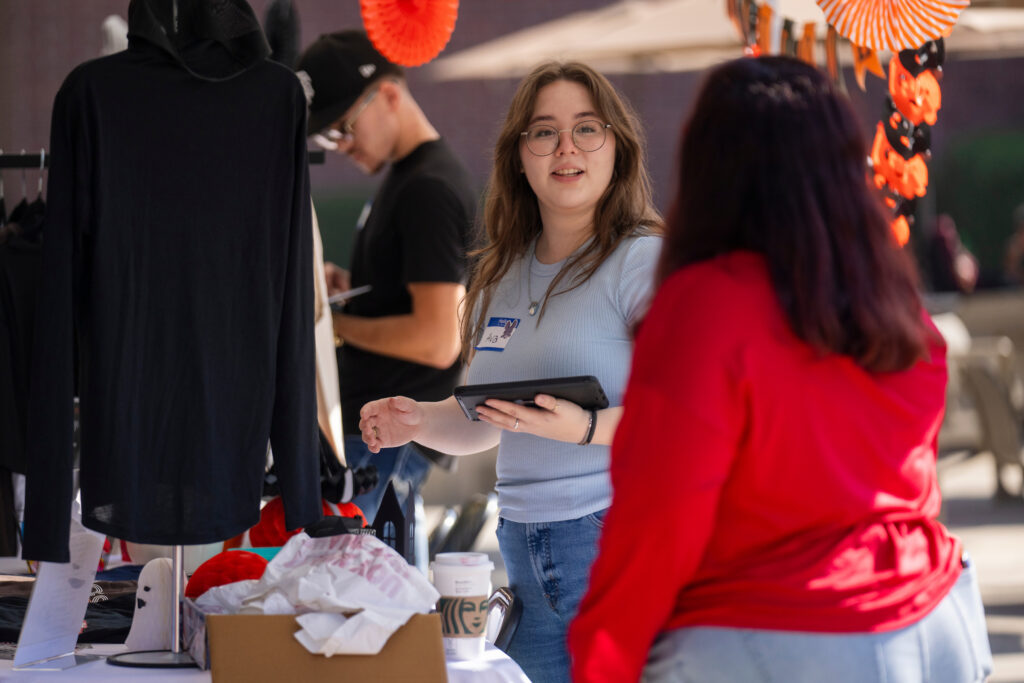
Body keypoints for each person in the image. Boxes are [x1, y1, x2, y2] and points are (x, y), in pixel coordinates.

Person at [569, 56, 993, 683]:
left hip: (782, 633)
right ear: (846, 169)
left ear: (712, 170)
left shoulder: (707, 307)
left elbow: (657, 524)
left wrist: (601, 661)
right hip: (939, 621)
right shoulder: (891, 303)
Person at [358, 62, 662, 682]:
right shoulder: (501, 272)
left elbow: (687, 418)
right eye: (543, 131)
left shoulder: (643, 259)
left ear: (618, 147)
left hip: (614, 551)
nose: (566, 147)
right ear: (519, 155)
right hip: (520, 560)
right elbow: (482, 423)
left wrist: (582, 427)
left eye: (587, 128)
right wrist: (416, 419)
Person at [295, 31, 478, 526]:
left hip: (389, 438)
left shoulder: (428, 190)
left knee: (353, 590)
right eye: (329, 136)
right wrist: (352, 289)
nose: (342, 146)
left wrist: (332, 325)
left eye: (344, 128)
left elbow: (439, 339)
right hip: (381, 434)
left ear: (390, 94)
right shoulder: (408, 180)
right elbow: (412, 293)